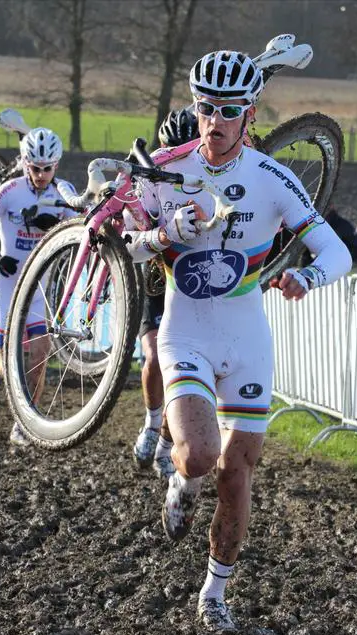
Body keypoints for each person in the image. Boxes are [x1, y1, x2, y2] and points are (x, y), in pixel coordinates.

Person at [125, 50, 352, 632]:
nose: (214, 121)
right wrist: (163, 232)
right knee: (199, 455)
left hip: (248, 335)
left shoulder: (271, 177)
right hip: (186, 330)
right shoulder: (164, 169)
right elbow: (120, 245)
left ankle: (214, 595)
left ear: (249, 116)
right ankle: (180, 479)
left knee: (237, 471)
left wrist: (306, 275)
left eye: (228, 111)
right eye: (205, 108)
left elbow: (337, 251)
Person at [0, 126, 77, 446]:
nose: (41, 175)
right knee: (9, 361)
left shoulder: (65, 191)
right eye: (34, 168)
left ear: (56, 164)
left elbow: (84, 225)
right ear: (24, 163)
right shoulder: (9, 191)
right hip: (9, 282)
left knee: (40, 355)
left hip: (40, 285)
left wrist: (58, 223)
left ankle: (24, 423)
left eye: (47, 168)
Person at [133, 108, 200, 481]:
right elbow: (133, 226)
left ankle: (164, 444)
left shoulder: (207, 174)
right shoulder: (151, 176)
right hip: (159, 276)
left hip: (195, 282)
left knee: (182, 372)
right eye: (169, 153)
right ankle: (151, 422)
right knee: (155, 356)